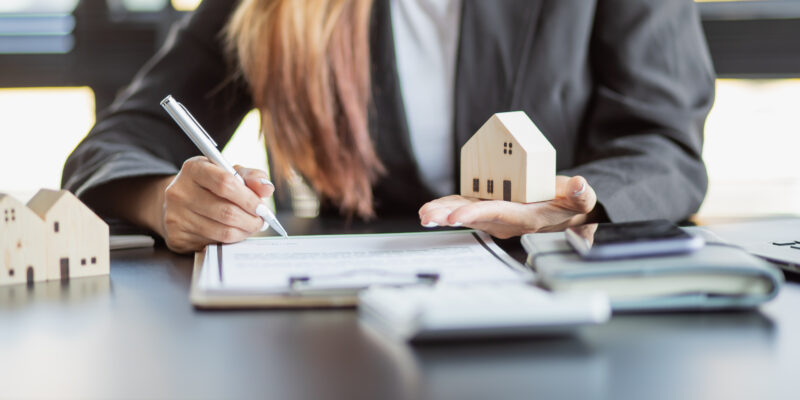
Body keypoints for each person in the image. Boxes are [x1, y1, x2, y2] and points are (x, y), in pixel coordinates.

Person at [62, 0, 715, 253]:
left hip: (558, 295)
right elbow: (117, 145)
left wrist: (573, 199)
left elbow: (664, 146)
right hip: (355, 318)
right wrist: (169, 203)